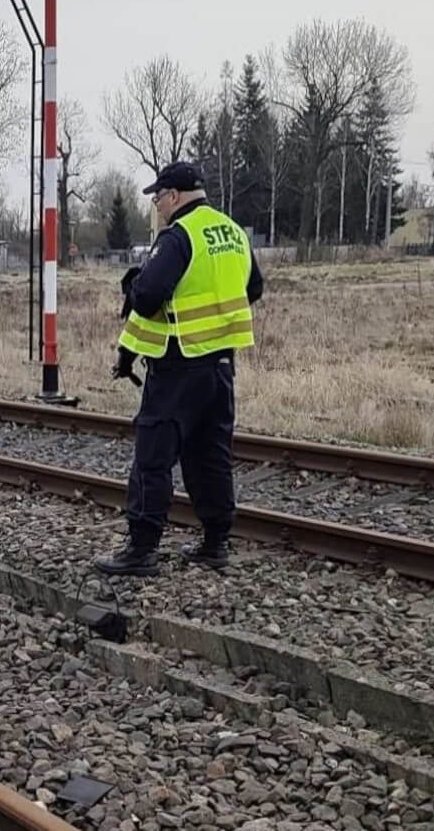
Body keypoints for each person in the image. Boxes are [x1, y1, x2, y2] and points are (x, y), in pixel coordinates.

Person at [96, 162, 263, 576]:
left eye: (157, 197)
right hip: (222, 366)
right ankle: (215, 542)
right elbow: (253, 288)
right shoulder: (232, 232)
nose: (156, 205)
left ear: (173, 196)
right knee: (210, 455)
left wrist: (133, 285)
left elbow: (149, 296)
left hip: (178, 367)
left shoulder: (178, 237)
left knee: (153, 457)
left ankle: (141, 549)